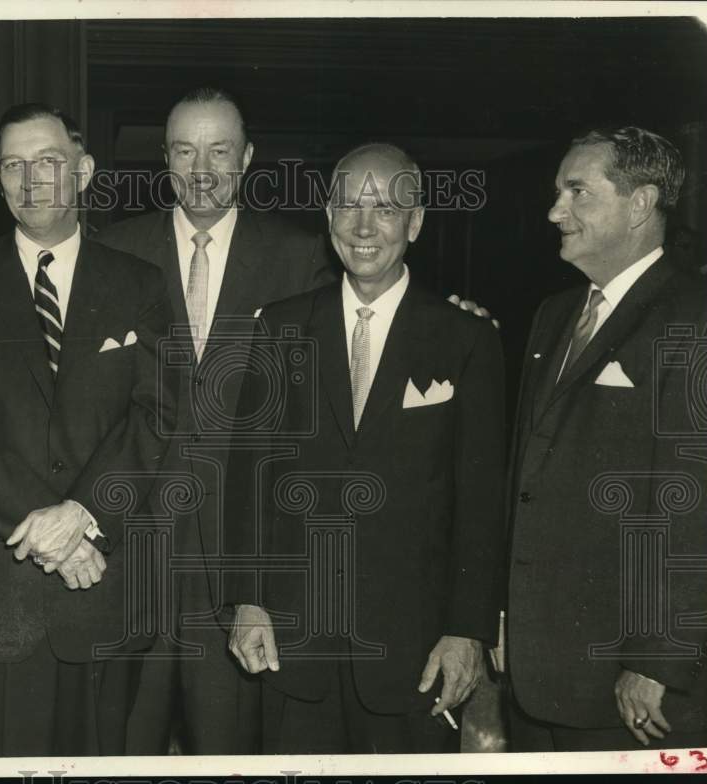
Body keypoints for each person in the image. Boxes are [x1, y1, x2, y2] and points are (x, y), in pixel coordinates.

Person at [224, 143, 507, 753]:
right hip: (293, 649)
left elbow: (481, 504)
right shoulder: (278, 328)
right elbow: (248, 478)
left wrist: (468, 630)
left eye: (385, 207)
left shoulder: (467, 339)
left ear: (417, 221)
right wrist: (246, 600)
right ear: (327, 220)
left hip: (416, 655)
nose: (364, 225)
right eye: (349, 205)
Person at [0, 102, 176, 756]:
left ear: (83, 171)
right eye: (13, 164)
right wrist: (52, 530)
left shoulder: (140, 284)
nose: (30, 178)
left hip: (104, 586)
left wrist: (86, 513)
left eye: (48, 161)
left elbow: (155, 414)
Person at [94, 87, 335, 754]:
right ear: (165, 159)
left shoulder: (301, 258)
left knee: (229, 751)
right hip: (131, 553)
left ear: (249, 158)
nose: (201, 169)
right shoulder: (113, 251)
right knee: (119, 750)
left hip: (238, 564)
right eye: (184, 150)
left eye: (219, 150)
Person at [502, 127, 707, 752]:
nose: (554, 212)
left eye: (577, 192)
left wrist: (657, 660)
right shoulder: (553, 313)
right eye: (556, 192)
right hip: (540, 671)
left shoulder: (699, 316)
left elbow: (696, 501)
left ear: (641, 204)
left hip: (629, 684)